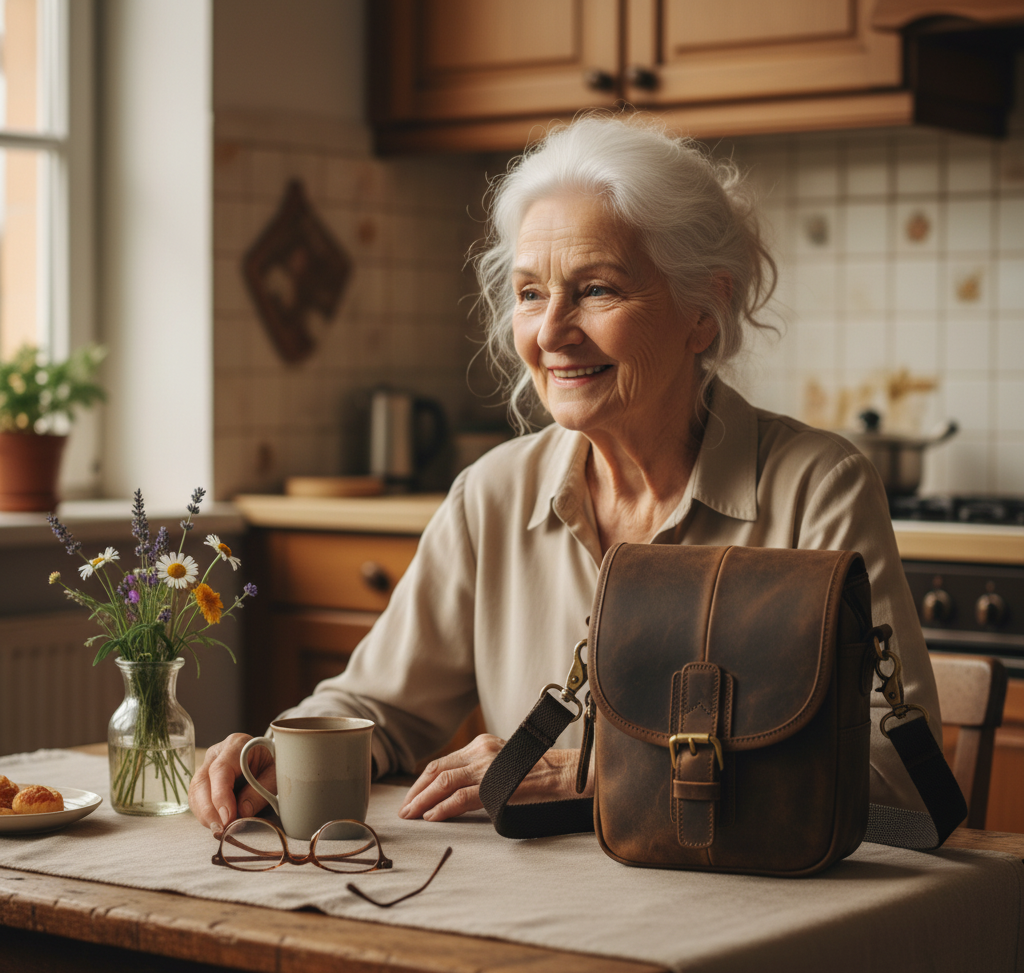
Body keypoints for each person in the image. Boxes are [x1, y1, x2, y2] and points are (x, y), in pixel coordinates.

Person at [189, 115, 941, 835]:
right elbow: (380, 705)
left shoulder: (820, 488)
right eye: (530, 293)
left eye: (598, 288)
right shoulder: (491, 494)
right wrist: (277, 751)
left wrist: (597, 772)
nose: (550, 332)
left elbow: (894, 772)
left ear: (703, 312)